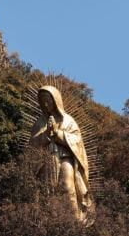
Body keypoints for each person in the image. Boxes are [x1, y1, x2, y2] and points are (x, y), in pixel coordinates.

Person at [30, 86, 95, 226]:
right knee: (47, 190)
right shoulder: (39, 123)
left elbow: (77, 141)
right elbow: (32, 145)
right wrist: (46, 133)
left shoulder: (68, 121)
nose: (46, 104)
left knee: (67, 186)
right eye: (43, 101)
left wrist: (58, 133)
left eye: (48, 100)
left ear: (56, 100)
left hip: (65, 158)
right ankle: (49, 222)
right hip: (46, 160)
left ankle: (74, 222)